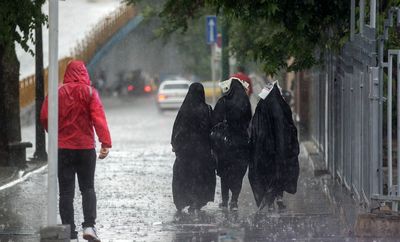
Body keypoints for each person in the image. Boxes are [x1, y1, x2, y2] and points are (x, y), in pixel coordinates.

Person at [40, 60, 112, 242]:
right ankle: (89, 226)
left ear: (67, 73)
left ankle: (70, 233)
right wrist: (105, 142)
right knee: (87, 188)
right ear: (84, 73)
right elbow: (99, 117)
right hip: (85, 149)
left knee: (65, 193)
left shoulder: (57, 92)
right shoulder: (89, 92)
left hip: (63, 149)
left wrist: (55, 132)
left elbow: (45, 116)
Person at [249, 82, 299, 211]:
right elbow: (290, 127)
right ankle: (278, 197)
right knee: (279, 172)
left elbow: (255, 127)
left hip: (264, 148)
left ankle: (269, 199)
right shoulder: (282, 107)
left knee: (268, 173)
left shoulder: (261, 106)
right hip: (280, 148)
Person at [171, 83, 216, 215]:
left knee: (185, 176)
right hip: (202, 150)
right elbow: (212, 129)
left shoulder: (184, 110)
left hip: (185, 151)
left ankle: (184, 200)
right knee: (201, 176)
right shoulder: (207, 109)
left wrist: (176, 145)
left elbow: (177, 130)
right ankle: (198, 200)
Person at [212, 79, 252, 211]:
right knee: (238, 173)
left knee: (225, 172)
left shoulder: (223, 102)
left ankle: (224, 200)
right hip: (241, 143)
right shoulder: (245, 102)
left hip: (225, 144)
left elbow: (214, 120)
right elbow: (248, 121)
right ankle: (234, 200)